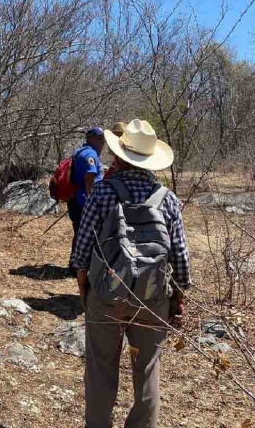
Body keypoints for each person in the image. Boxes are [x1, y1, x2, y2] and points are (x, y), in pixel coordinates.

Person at [70, 119, 191, 428]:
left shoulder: (102, 192)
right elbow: (179, 258)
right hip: (152, 297)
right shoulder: (168, 199)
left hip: (107, 295)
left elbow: (82, 251)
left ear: (120, 155)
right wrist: (178, 300)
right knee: (148, 370)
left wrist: (86, 291)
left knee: (100, 371)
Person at [68, 126, 105, 276]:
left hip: (76, 200)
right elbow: (89, 179)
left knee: (79, 233)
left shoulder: (79, 151)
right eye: (101, 139)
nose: (103, 143)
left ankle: (75, 264)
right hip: (83, 201)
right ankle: (77, 267)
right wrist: (92, 201)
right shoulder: (90, 154)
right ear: (93, 139)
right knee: (85, 234)